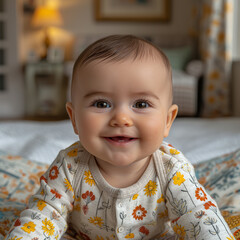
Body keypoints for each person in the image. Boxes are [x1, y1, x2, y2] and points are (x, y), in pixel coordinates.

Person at [5, 35, 234, 240]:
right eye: (101, 104)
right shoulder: (69, 166)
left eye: (141, 104)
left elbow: (200, 217)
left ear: (167, 120)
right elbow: (43, 214)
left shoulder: (171, 169)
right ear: (74, 119)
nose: (121, 118)